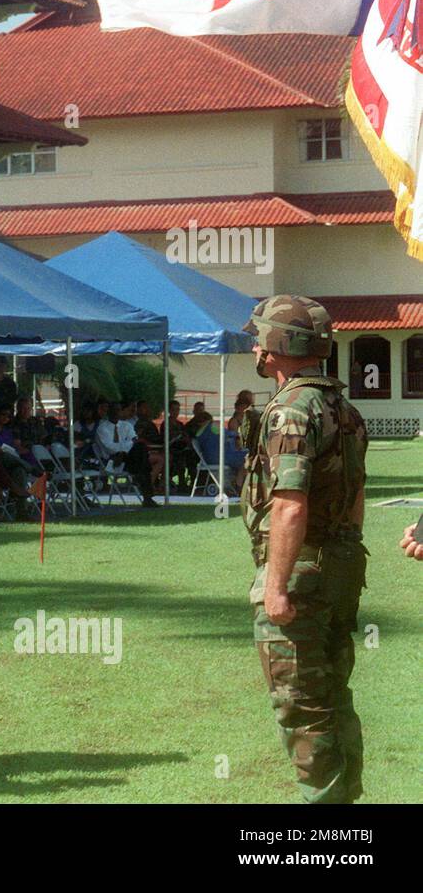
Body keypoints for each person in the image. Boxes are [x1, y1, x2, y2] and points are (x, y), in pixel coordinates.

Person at [241, 295, 367, 804]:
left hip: (302, 572)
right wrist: (345, 558)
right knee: (333, 696)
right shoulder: (345, 407)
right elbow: (355, 496)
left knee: (300, 704)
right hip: (339, 567)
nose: (254, 344)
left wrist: (276, 588)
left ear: (276, 346)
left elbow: (289, 506)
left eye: (259, 336)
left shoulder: (292, 410)